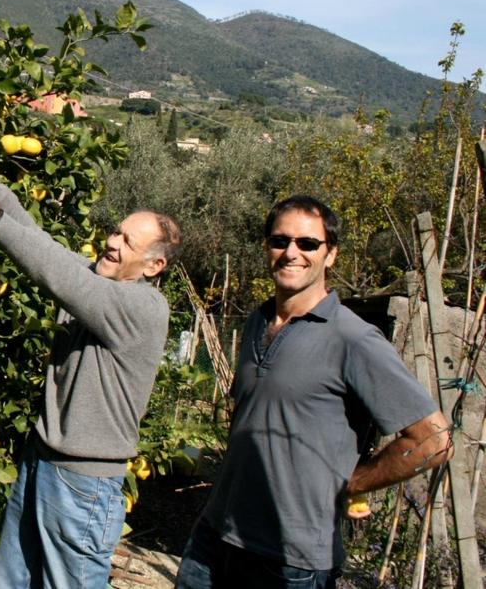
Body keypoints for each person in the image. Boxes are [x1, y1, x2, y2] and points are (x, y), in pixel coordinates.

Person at [0, 146, 181, 589]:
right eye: (115, 232)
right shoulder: (97, 283)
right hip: (41, 461)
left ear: (154, 265)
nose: (111, 242)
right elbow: (45, 247)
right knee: (12, 580)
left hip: (84, 482)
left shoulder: (142, 307)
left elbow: (58, 273)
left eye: (127, 242)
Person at [176, 195, 452, 589]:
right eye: (280, 241)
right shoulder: (257, 322)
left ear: (331, 254)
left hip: (291, 560)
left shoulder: (353, 339)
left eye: (307, 244)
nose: (291, 253)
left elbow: (435, 440)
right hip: (214, 538)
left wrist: (354, 482)